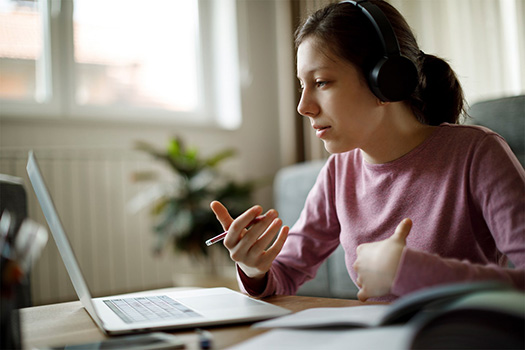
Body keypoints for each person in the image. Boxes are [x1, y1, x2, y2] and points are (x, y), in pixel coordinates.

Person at [210, 0, 525, 302]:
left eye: (321, 82)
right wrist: (254, 268)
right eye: (302, 85)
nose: (303, 107)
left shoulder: (477, 154)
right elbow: (286, 273)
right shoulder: (338, 172)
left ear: (387, 82)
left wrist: (421, 273)